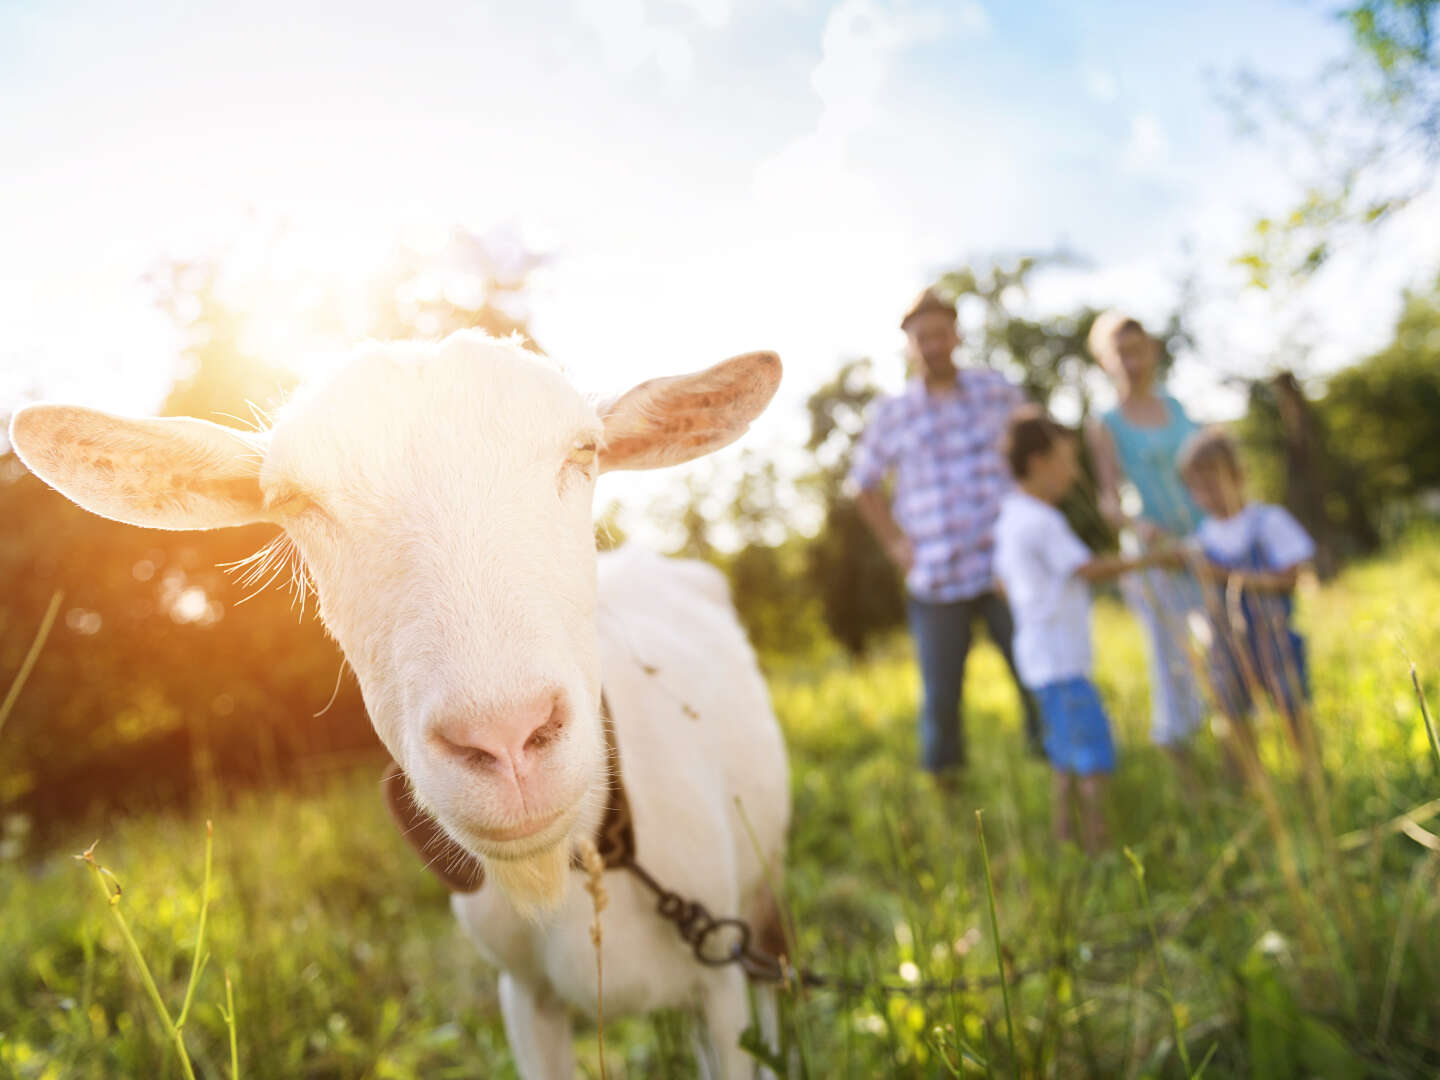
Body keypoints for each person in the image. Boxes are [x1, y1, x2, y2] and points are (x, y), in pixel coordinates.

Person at [850, 287, 1040, 779]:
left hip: (1005, 567)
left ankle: (1055, 767)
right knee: (941, 695)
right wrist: (895, 542)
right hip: (936, 575)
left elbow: (1037, 447)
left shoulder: (996, 390)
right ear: (909, 344)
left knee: (1036, 673)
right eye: (921, 337)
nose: (932, 344)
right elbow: (863, 485)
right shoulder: (894, 414)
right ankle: (947, 790)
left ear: (955, 334)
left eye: (940, 333)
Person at [994, 407, 1179, 852]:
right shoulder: (1043, 520)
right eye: (1068, 460)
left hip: (1037, 658)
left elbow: (1001, 584)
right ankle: (1101, 847)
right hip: (1063, 659)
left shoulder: (1009, 517)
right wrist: (1152, 560)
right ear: (1039, 462)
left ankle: (1064, 837)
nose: (1075, 473)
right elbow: (1086, 568)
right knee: (1093, 756)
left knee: (1063, 754)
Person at [1084, 311, 1208, 754]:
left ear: (1151, 350)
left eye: (1138, 350)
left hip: (1200, 542)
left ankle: (1237, 753)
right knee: (1170, 663)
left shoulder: (1175, 406)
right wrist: (1142, 527)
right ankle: (1183, 760)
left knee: (1220, 651)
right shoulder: (1105, 422)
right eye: (1121, 354)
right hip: (1155, 555)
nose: (1132, 361)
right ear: (1104, 361)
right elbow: (1109, 500)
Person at [1177, 426, 1316, 752]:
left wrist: (1226, 575)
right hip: (1226, 648)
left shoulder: (1268, 521)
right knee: (1233, 716)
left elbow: (1292, 579)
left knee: (1292, 711)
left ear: (1239, 475)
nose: (1206, 496)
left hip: (1275, 641)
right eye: (1197, 489)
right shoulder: (1202, 535)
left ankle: (1310, 779)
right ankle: (1250, 787)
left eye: (1213, 484)